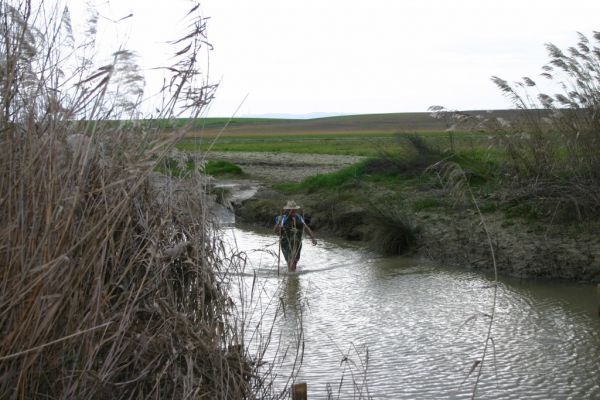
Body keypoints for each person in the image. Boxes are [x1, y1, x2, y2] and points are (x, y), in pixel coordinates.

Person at [274, 200, 317, 272]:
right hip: (286, 243)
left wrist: (313, 238)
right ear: (287, 210)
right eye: (291, 210)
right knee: (291, 263)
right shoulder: (282, 218)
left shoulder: (299, 218)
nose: (293, 211)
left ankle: (292, 279)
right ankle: (291, 279)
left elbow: (306, 228)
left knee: (294, 263)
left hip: (297, 243)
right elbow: (275, 231)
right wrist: (279, 223)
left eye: (294, 210)